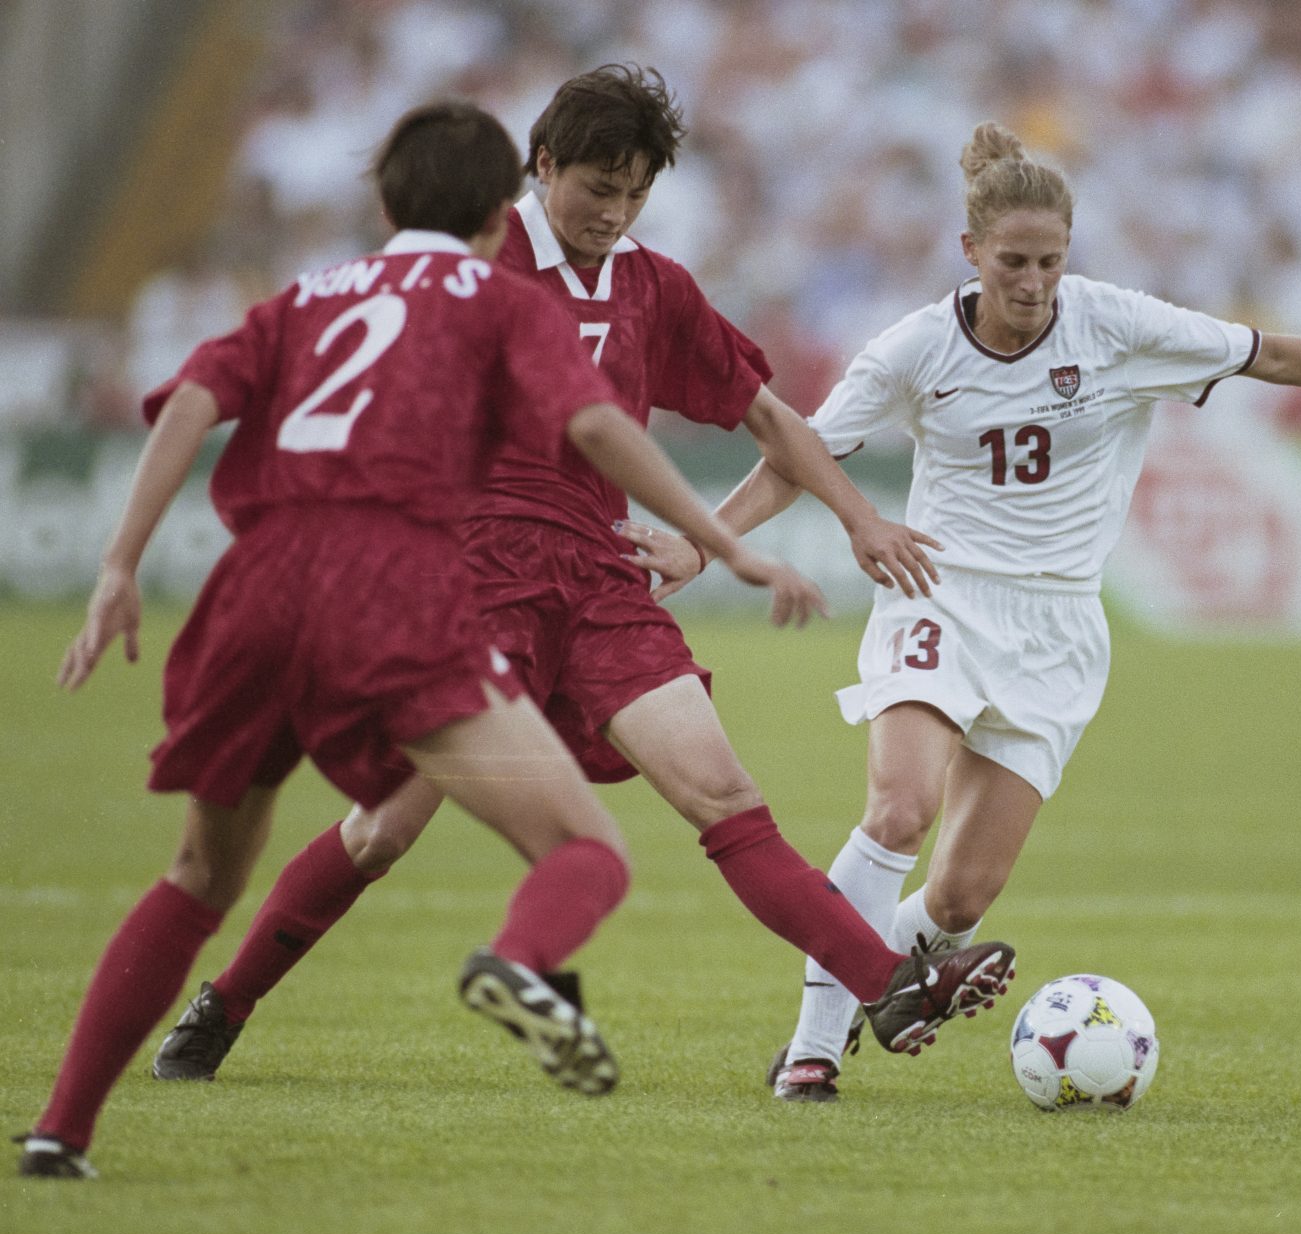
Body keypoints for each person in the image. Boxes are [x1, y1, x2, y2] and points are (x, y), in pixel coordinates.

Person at [15, 100, 839, 1178]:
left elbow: (184, 407)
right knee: (582, 847)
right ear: (505, 210)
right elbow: (593, 425)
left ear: (385, 200)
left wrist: (119, 565)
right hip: (398, 593)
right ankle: (516, 958)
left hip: (257, 588)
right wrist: (720, 545)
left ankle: (60, 1128)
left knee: (201, 874)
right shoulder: (494, 300)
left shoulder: (312, 294)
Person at [147, 66, 1013, 1089]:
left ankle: (885, 982)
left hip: (601, 577)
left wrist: (860, 516)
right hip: (478, 577)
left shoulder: (654, 283)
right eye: (598, 186)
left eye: (635, 191)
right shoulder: (479, 260)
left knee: (724, 790)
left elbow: (772, 418)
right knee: (384, 829)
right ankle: (224, 1002)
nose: (615, 211)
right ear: (542, 166)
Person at [662, 122, 1301, 1102]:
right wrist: (702, 544)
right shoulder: (913, 346)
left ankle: (895, 979)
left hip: (1059, 629)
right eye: (1014, 262)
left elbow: (1269, 352)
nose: (1034, 282)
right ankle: (814, 1051)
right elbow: (801, 453)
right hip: (938, 593)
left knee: (960, 895)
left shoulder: (1116, 325)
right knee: (901, 805)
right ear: (971, 253)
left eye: (1051, 262)